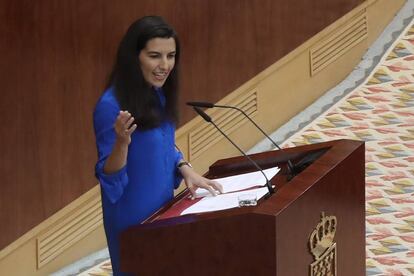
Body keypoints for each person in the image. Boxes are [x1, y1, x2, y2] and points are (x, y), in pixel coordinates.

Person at [93, 16, 223, 275]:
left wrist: (184, 167)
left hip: (163, 206)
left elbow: (164, 143)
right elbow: (110, 177)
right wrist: (122, 143)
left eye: (171, 56)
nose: (165, 65)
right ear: (135, 56)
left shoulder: (157, 93)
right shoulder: (110, 106)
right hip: (133, 216)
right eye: (155, 56)